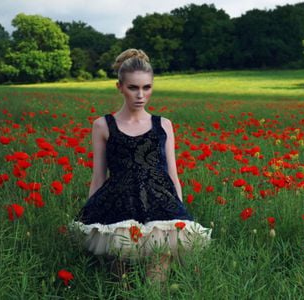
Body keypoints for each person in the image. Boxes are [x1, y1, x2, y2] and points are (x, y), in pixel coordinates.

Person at [68, 48, 212, 286]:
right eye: (133, 87)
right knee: (120, 285)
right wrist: (90, 218)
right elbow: (98, 177)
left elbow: (172, 175)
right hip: (118, 208)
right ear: (120, 87)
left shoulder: (163, 125)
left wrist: (179, 212)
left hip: (160, 207)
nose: (141, 95)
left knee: (156, 286)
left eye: (147, 87)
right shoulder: (103, 125)